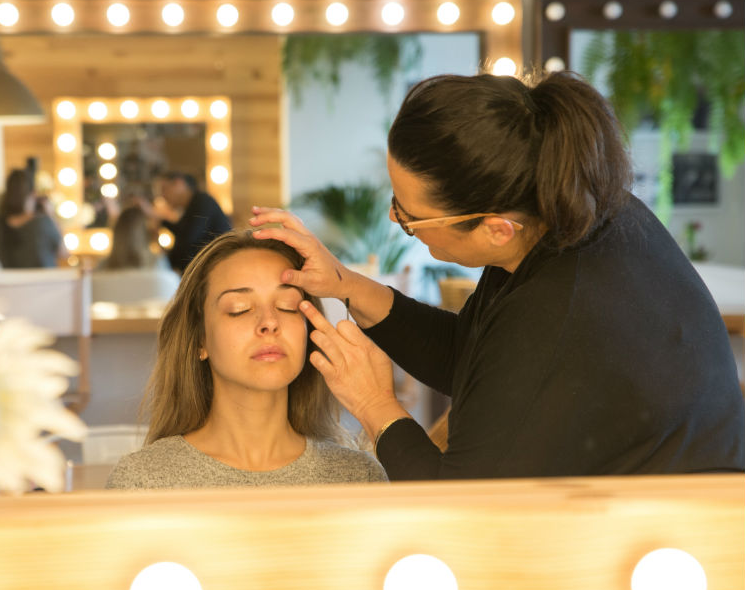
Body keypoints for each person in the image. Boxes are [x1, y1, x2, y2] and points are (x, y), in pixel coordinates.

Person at [250, 70, 745, 480]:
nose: (393, 220)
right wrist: (345, 284)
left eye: (409, 216)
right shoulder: (564, 211)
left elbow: (465, 504)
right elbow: (470, 353)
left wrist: (376, 405)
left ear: (496, 229)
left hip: (685, 532)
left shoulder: (559, 313)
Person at [106, 231, 387, 488]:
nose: (269, 323)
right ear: (199, 340)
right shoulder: (142, 483)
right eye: (239, 309)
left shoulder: (358, 477)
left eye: (286, 306)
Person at [153, 171, 232, 273]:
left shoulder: (202, 202)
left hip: (217, 269)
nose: (163, 196)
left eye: (164, 189)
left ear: (179, 183)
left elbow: (188, 239)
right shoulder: (192, 205)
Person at [0, 168, 64, 268]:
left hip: (11, 282)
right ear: (33, 194)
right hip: (43, 282)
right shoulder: (43, 223)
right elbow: (63, 253)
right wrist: (52, 216)